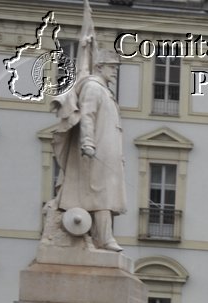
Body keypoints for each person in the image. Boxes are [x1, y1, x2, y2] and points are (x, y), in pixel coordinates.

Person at [51, 29, 126, 253]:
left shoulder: (105, 91)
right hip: (96, 151)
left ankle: (101, 236)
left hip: (107, 151)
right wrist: (88, 143)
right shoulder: (93, 88)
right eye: (112, 67)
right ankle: (104, 238)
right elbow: (87, 117)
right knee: (101, 195)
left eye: (116, 68)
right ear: (99, 67)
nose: (115, 72)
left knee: (106, 194)